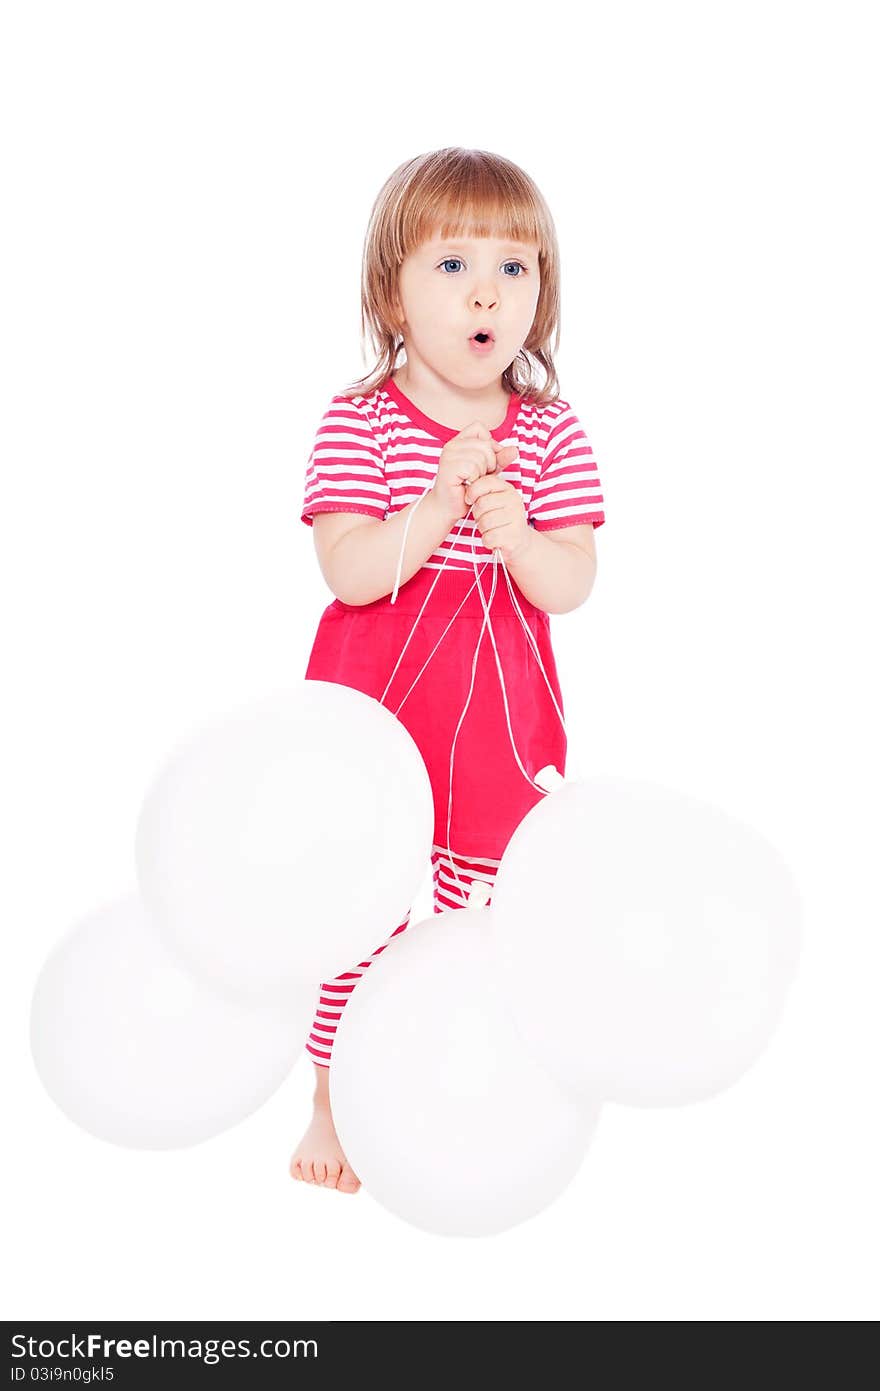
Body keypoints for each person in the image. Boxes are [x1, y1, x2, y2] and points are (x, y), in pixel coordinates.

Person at [289, 147, 606, 1193]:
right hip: (378, 712)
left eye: (516, 269)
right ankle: (332, 1092)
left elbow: (569, 584)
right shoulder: (363, 421)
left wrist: (517, 535)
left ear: (539, 300)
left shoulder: (550, 431)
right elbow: (348, 566)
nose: (486, 290)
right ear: (390, 295)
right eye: (452, 263)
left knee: (484, 909)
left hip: (495, 723)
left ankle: (451, 1084)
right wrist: (430, 508)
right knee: (362, 901)